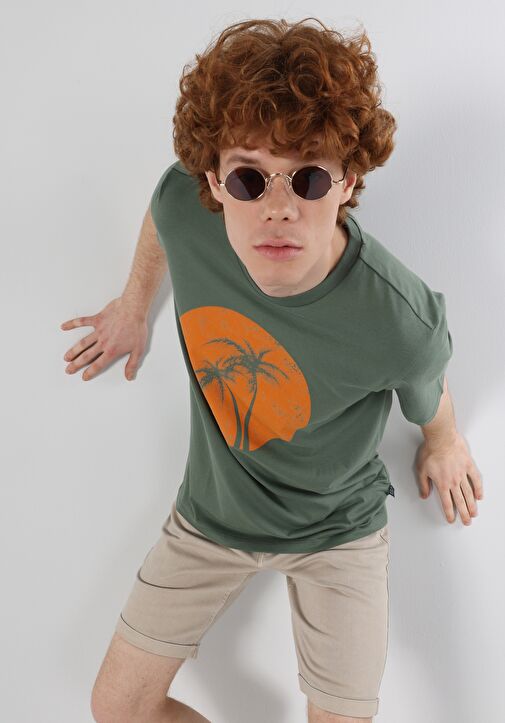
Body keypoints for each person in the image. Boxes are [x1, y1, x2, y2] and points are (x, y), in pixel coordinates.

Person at [61, 17, 484, 723]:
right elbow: (163, 214)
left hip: (338, 530)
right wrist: (133, 304)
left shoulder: (398, 318)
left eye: (309, 178)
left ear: (347, 182)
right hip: (210, 516)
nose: (279, 209)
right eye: (249, 178)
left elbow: (427, 385)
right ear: (213, 182)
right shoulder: (186, 207)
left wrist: (443, 441)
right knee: (118, 707)